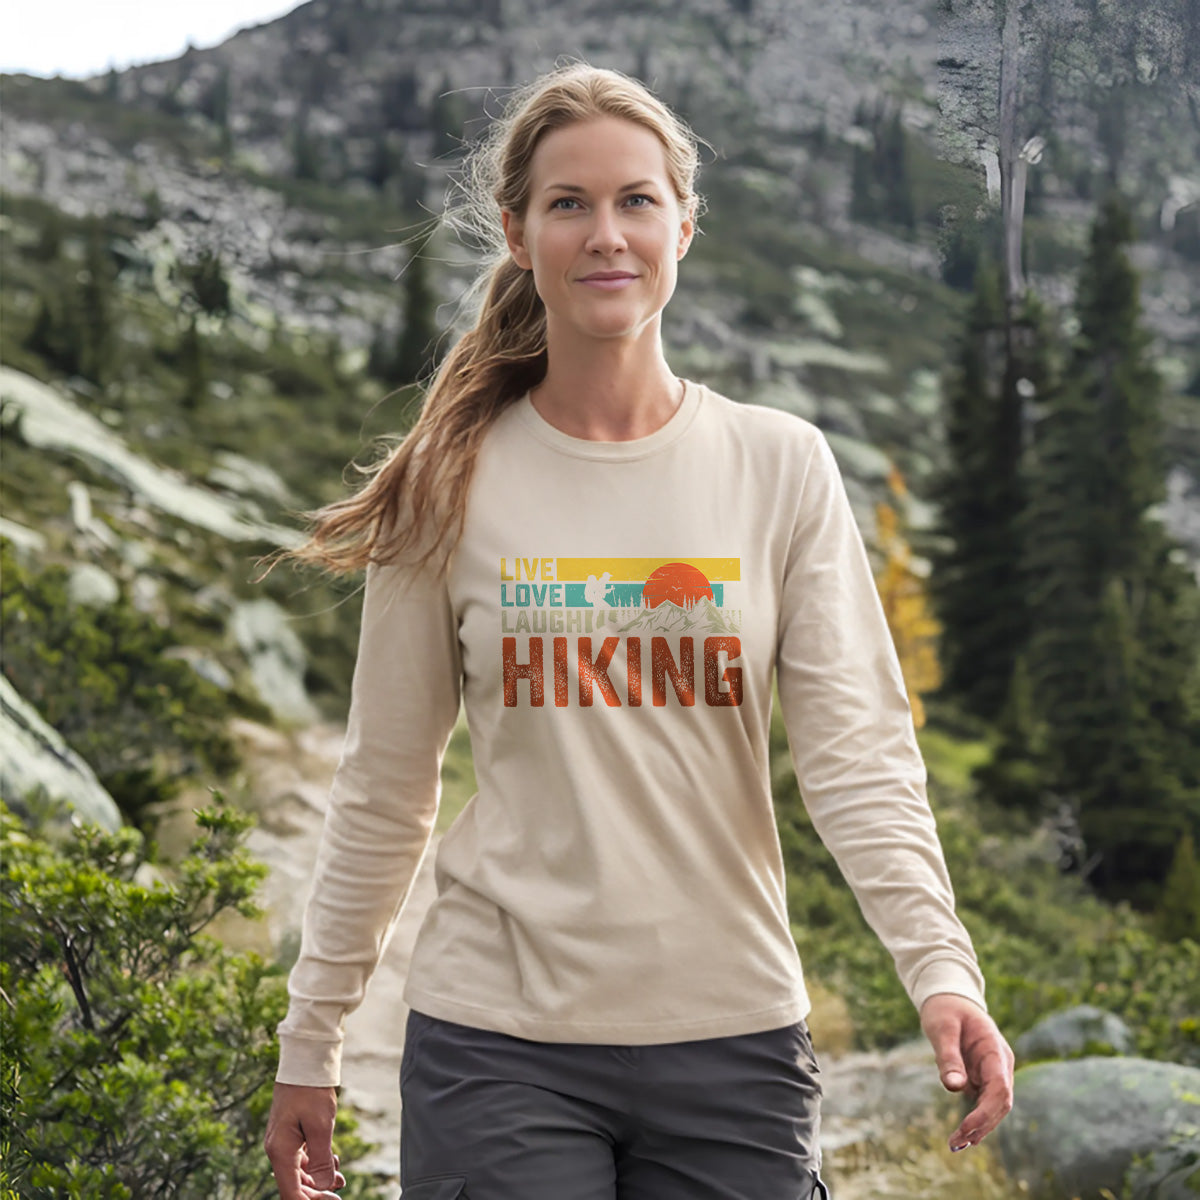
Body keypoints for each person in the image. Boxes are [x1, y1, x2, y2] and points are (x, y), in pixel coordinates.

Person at [262, 62, 1014, 1200]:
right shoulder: (446, 482)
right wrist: (313, 1033)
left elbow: (859, 755)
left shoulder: (780, 465)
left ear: (683, 227)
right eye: (569, 203)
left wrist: (940, 969)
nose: (605, 234)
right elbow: (385, 781)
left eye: (636, 201)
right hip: (496, 1041)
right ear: (518, 234)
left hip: (733, 1037)